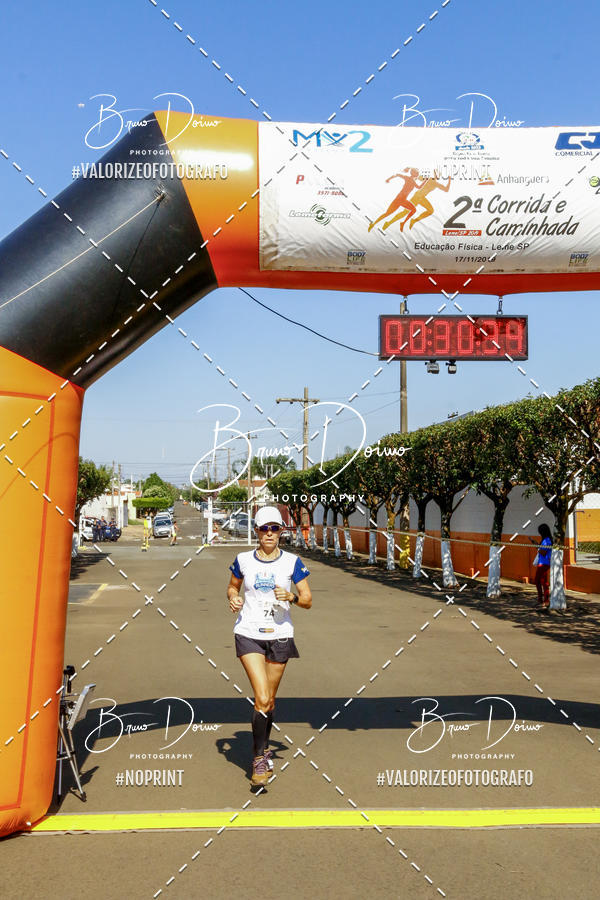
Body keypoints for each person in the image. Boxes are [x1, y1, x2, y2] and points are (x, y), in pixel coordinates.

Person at [226, 506, 312, 787]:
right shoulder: (242, 560)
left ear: (281, 532)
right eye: (265, 529)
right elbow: (232, 587)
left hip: (280, 635)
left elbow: (308, 599)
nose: (270, 534)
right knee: (261, 697)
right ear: (256, 531)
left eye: (275, 528)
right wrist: (233, 598)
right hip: (248, 632)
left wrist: (292, 596)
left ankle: (263, 748)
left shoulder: (292, 562)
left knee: (269, 701)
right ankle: (259, 759)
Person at [532, 523, 552, 607]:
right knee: (539, 581)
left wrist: (537, 546)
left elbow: (543, 552)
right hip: (542, 563)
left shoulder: (547, 540)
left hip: (544, 563)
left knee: (542, 581)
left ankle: (545, 600)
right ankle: (541, 599)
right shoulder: (546, 540)